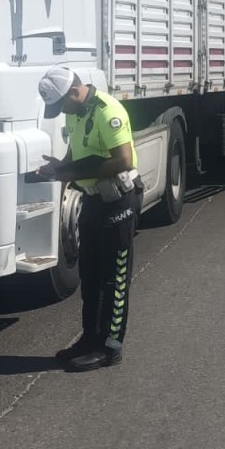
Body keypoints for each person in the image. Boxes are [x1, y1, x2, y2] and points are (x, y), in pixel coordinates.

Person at [34, 66, 143, 372]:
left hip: (118, 201)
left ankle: (110, 348)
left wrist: (71, 173)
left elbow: (124, 160)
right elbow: (76, 152)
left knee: (115, 279)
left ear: (73, 92)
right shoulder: (74, 111)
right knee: (91, 275)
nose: (61, 112)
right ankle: (89, 338)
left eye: (60, 104)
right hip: (92, 200)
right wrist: (60, 166)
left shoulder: (108, 111)